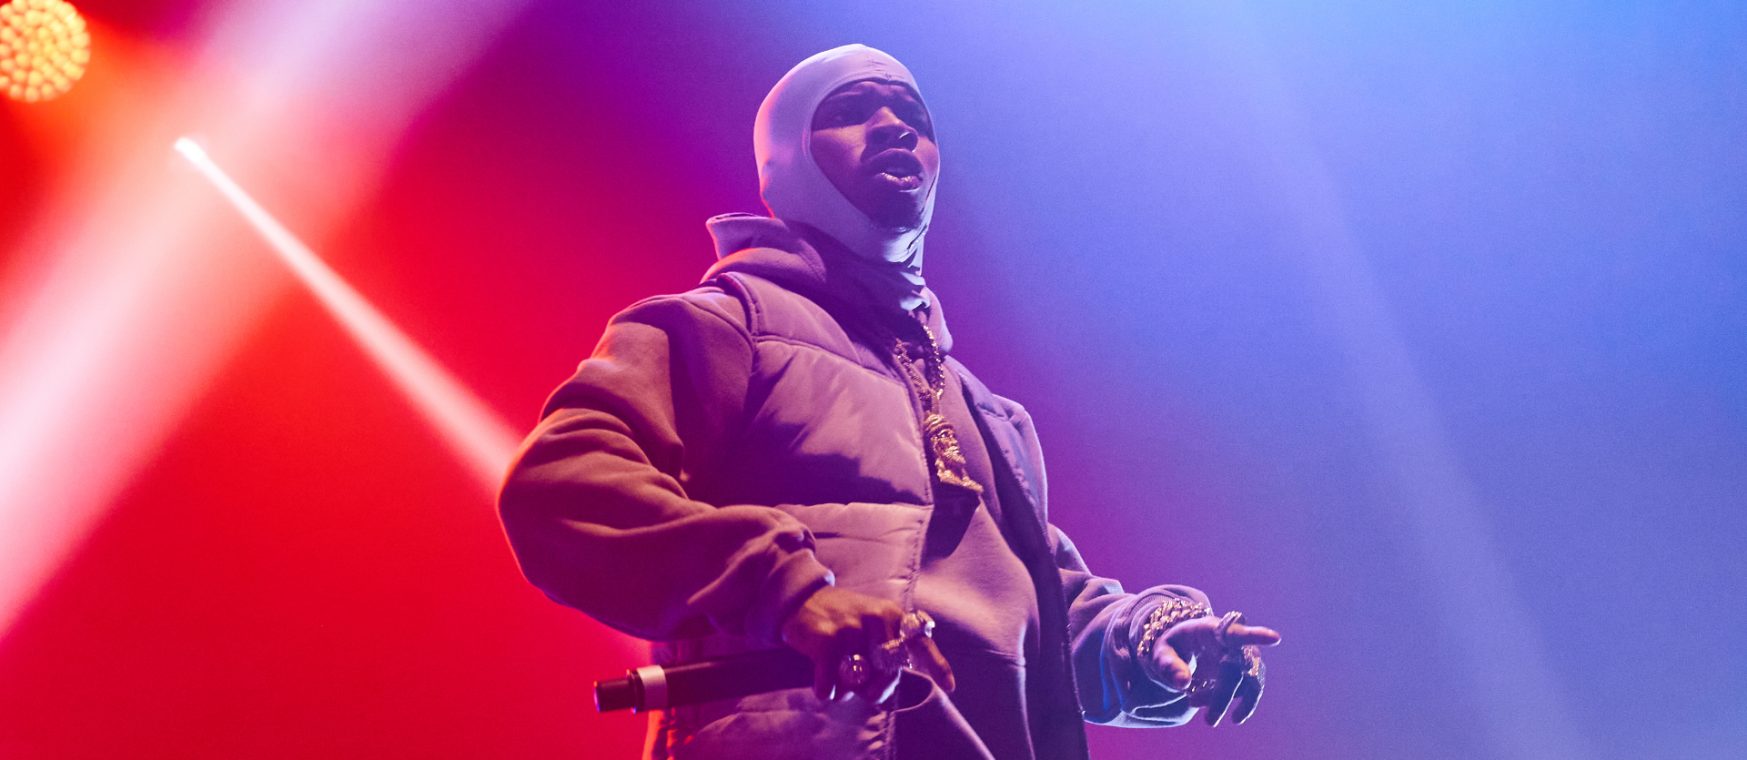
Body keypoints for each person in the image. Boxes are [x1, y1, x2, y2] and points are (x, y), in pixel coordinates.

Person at [498, 44, 1281, 760]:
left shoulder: (990, 415)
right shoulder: (723, 325)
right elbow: (562, 488)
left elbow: (1037, 619)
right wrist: (783, 591)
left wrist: (1148, 639)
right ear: (783, 159)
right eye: (849, 110)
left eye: (912, 115)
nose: (892, 126)